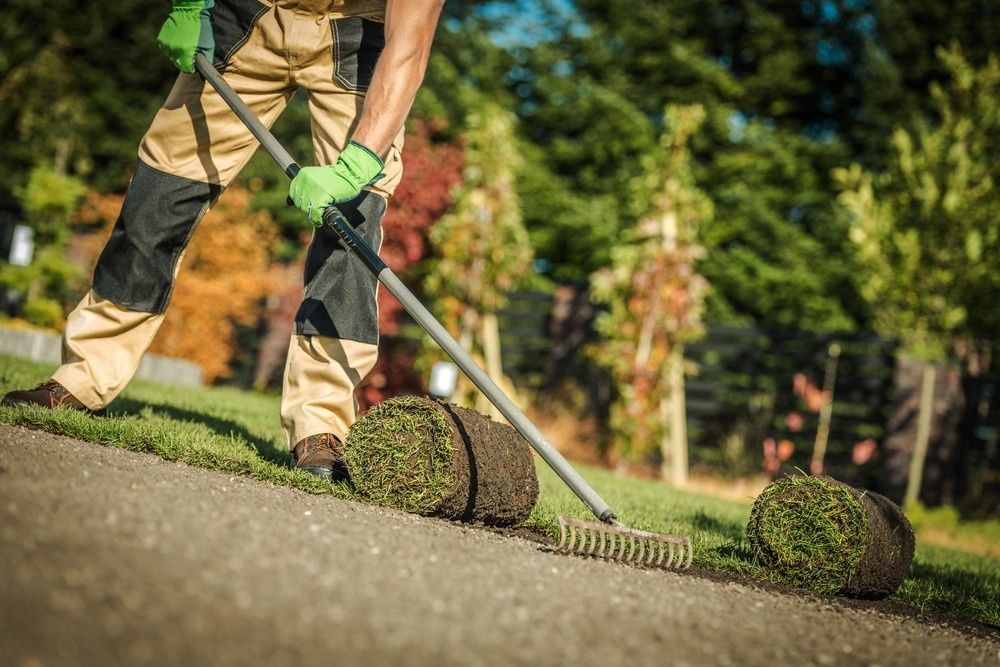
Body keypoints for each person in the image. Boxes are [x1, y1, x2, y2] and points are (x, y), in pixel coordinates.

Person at [2, 0, 445, 481]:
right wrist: (192, 4)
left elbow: (410, 43)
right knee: (163, 190)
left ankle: (321, 427)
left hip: (359, 34)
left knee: (353, 220)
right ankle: (82, 378)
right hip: (250, 12)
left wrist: (359, 163)